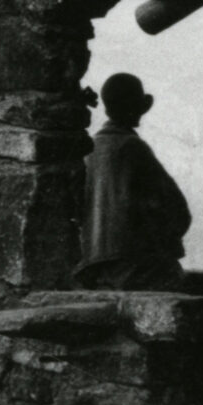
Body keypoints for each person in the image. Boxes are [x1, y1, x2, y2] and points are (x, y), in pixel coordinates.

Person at [76, 73, 192, 289]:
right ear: (138, 105)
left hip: (93, 267)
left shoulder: (90, 151)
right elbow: (176, 208)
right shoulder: (133, 147)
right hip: (133, 266)